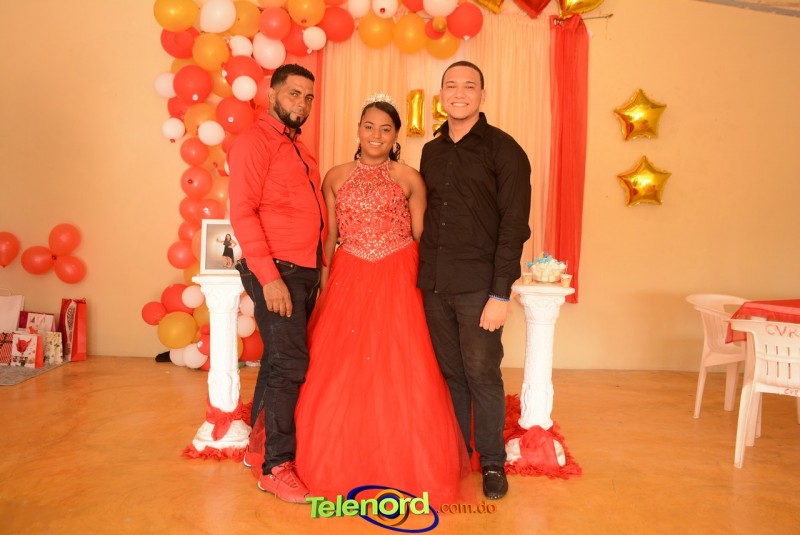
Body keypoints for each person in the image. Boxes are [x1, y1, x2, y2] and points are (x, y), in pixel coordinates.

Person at [294, 95, 472, 507]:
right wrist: (325, 286)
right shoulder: (335, 177)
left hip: (399, 274)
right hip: (349, 275)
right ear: (358, 129)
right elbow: (330, 235)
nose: (376, 135)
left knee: (404, 364)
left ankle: (406, 459)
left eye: (385, 129)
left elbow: (423, 236)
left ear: (395, 137)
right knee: (342, 367)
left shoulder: (409, 178)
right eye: (369, 126)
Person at [418, 61, 532, 500]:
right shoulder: (432, 151)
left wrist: (500, 294)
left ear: (483, 95)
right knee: (451, 374)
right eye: (451, 86)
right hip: (434, 283)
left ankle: (491, 462)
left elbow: (513, 227)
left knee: (482, 373)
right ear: (441, 95)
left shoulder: (505, 150)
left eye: (469, 86)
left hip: (479, 287)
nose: (459, 93)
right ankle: (456, 452)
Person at [227, 63, 327, 504]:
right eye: (293, 94)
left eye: (308, 97)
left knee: (274, 361)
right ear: (272, 94)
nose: (302, 103)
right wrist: (269, 279)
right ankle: (277, 467)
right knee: (290, 365)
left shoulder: (297, 147)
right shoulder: (254, 141)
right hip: (277, 270)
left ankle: (258, 446)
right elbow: (242, 212)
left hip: (302, 269)